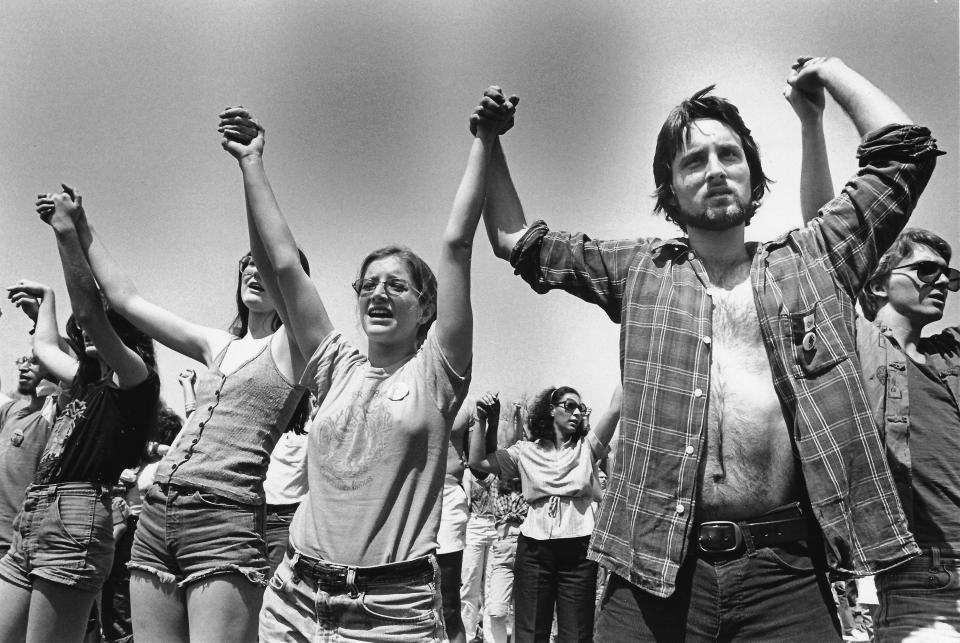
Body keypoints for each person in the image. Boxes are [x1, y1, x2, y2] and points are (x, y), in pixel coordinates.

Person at [477, 56, 943, 640]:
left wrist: (828, 72)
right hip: (653, 576)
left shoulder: (813, 261)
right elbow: (515, 241)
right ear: (669, 190)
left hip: (786, 577)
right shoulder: (640, 272)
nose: (715, 170)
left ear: (753, 175)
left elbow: (905, 153)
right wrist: (490, 142)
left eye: (730, 155)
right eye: (693, 161)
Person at [217, 87, 514, 641]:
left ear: (427, 306)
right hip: (294, 597)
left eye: (396, 285)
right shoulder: (334, 366)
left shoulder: (437, 373)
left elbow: (456, 245)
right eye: (368, 284)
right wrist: (252, 162)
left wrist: (486, 141)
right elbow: (283, 263)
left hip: (390, 611)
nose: (378, 294)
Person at [68, 193, 310, 642]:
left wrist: (248, 164)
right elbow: (125, 299)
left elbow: (283, 264)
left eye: (263, 264)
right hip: (158, 513)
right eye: (246, 265)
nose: (254, 271)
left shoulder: (293, 347)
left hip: (223, 517)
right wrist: (82, 227)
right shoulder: (216, 344)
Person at [0, 186, 160, 643]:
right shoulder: (85, 382)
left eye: (108, 325)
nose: (88, 331)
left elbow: (90, 315)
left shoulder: (134, 378)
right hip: (33, 515)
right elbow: (47, 347)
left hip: (76, 515)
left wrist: (65, 233)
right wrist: (48, 299)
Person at [468, 387, 619, 642]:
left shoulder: (586, 447)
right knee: (530, 632)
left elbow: (615, 407)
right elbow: (478, 462)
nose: (576, 413)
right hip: (534, 551)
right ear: (551, 409)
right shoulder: (524, 451)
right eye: (569, 405)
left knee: (576, 634)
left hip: (578, 551)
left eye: (580, 409)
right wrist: (482, 419)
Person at [0, 354, 56, 558]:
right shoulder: (14, 410)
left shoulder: (55, 415)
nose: (23, 367)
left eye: (34, 362)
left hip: (14, 544)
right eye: (22, 361)